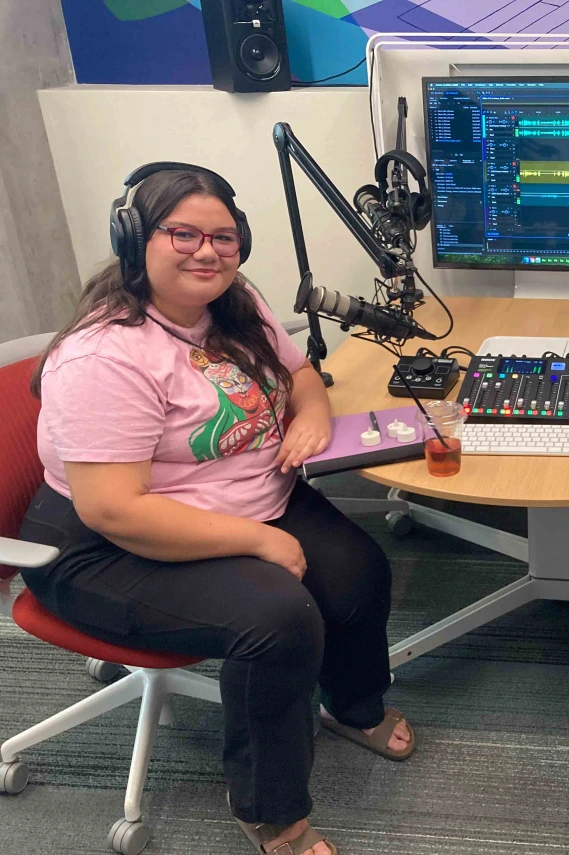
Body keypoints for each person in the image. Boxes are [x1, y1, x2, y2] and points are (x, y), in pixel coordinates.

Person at [20, 163, 414, 855]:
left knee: (360, 571)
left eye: (224, 237)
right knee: (278, 620)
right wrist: (259, 543)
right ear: (134, 238)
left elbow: (300, 375)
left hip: (243, 498)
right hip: (106, 543)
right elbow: (116, 510)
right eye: (184, 233)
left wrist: (311, 415)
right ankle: (270, 810)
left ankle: (351, 705)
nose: (208, 251)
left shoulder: (235, 303)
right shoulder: (105, 355)